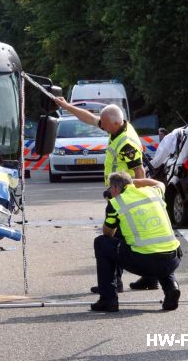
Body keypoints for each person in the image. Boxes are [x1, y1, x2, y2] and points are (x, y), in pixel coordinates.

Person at [53, 98, 159, 292]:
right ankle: (150, 278)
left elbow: (139, 172)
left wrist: (136, 196)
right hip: (120, 193)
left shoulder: (126, 143)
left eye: (106, 125)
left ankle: (114, 283)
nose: (103, 128)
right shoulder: (116, 127)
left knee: (114, 237)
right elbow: (90, 119)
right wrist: (67, 107)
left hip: (126, 195)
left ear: (116, 122)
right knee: (131, 235)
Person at [91, 171, 182, 312]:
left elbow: (108, 233)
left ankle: (108, 300)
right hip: (173, 259)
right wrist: (134, 182)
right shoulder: (153, 192)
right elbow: (160, 183)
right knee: (159, 249)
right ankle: (171, 288)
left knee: (101, 243)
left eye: (111, 188)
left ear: (115, 188)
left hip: (144, 263)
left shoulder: (116, 203)